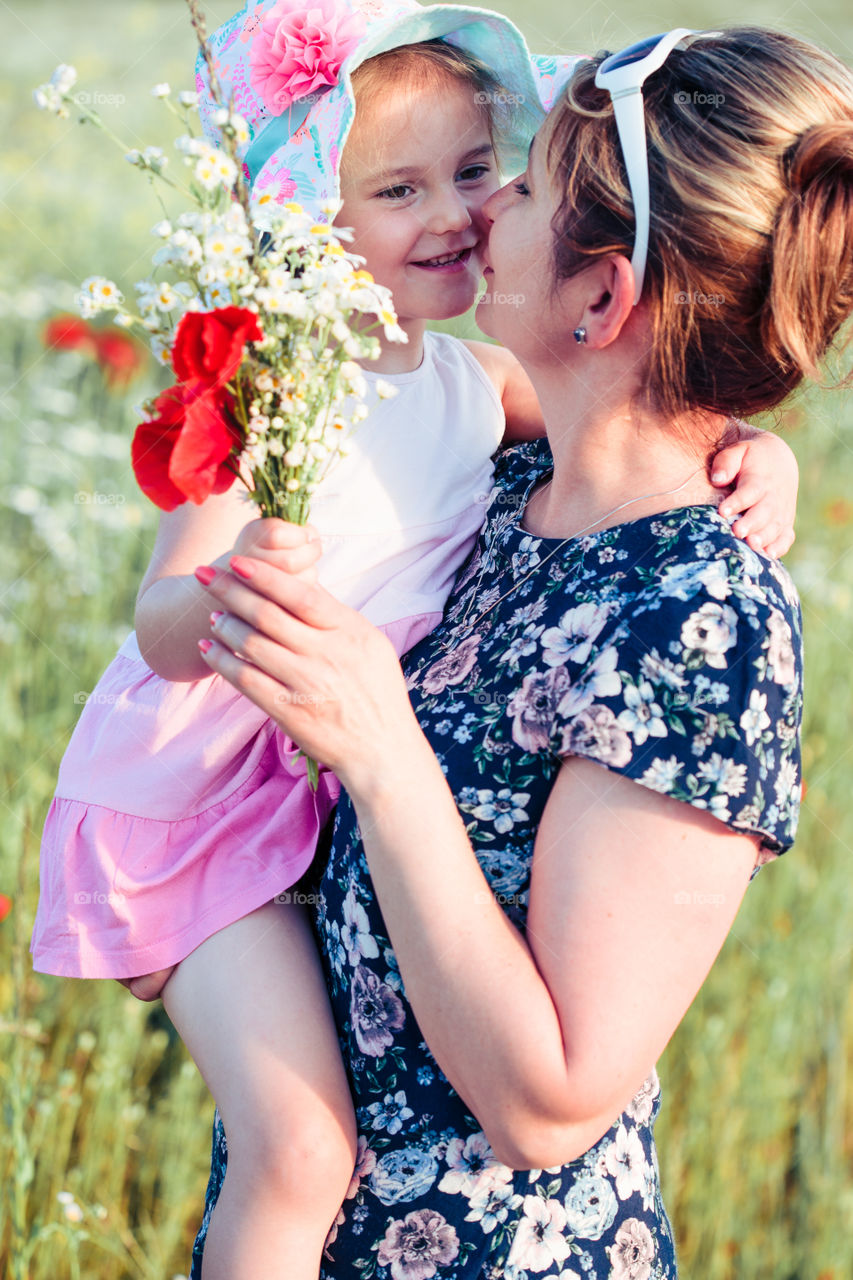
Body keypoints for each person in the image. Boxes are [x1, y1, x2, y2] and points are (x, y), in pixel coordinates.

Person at [33, 8, 796, 1279]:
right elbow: (176, 611)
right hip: (222, 850)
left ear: (603, 292)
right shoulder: (467, 470)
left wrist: (749, 443)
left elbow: (553, 1102)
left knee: (298, 1150)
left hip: (493, 1243)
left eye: (505, 177)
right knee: (293, 1149)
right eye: (408, 185)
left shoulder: (681, 605)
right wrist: (234, 603)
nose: (475, 210)